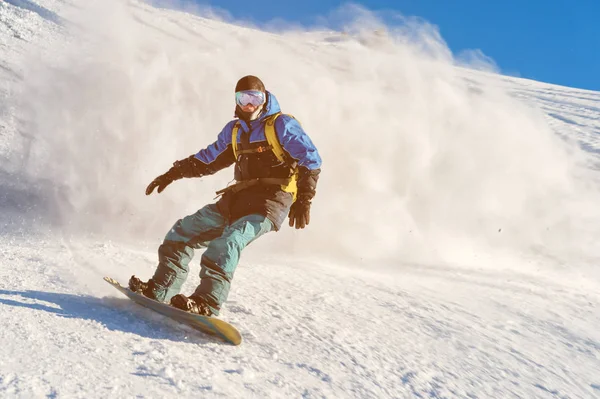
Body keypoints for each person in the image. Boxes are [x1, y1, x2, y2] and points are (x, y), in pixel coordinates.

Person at [129, 75, 322, 316]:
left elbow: (310, 159)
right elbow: (207, 160)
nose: (249, 105)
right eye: (243, 98)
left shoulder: (281, 125)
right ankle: (160, 288)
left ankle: (206, 303)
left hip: (270, 203)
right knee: (182, 233)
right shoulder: (235, 131)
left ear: (264, 99)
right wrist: (172, 173)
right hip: (236, 200)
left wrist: (304, 199)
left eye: (255, 98)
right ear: (236, 100)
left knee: (228, 242)